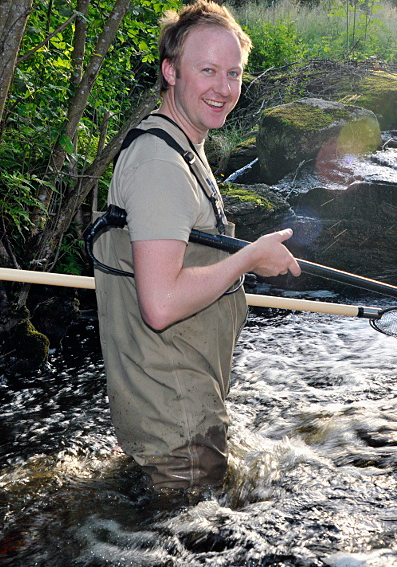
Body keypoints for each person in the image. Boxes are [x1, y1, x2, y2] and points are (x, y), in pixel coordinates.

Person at [93, 0, 301, 492]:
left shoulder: (180, 144)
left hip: (171, 411)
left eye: (233, 73)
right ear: (170, 71)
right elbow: (161, 304)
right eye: (207, 70)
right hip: (177, 430)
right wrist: (249, 257)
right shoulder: (161, 166)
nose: (223, 88)